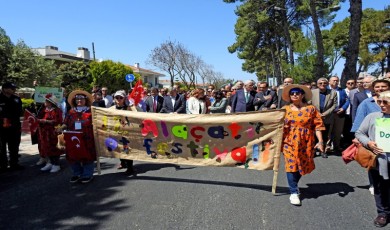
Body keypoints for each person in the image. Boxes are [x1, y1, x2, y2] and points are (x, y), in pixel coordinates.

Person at [281, 84, 325, 206]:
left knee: (302, 164)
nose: (294, 95)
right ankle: (294, 191)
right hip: (289, 141)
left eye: (297, 92)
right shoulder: (285, 109)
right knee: (291, 165)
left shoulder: (311, 109)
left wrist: (320, 142)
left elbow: (318, 126)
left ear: (302, 95)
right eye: (292, 93)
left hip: (307, 141)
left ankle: (294, 183)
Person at [355, 90, 390, 228]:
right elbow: (359, 133)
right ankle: (383, 213)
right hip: (378, 160)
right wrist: (369, 143)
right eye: (379, 101)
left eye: (385, 102)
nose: (381, 104)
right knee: (380, 187)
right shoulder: (372, 116)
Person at [62, 90, 96, 183]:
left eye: (81, 98)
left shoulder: (91, 111)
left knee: (87, 155)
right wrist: (61, 127)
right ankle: (76, 173)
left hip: (87, 138)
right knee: (73, 155)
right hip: (73, 137)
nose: (79, 100)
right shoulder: (71, 111)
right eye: (77, 98)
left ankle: (87, 174)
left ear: (86, 100)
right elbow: (65, 123)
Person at [311, 78, 337, 157]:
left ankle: (323, 150)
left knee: (326, 135)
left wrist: (325, 114)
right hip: (315, 117)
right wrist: (317, 113)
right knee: (314, 135)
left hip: (327, 117)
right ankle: (314, 150)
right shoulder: (312, 92)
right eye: (320, 83)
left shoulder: (333, 93)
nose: (322, 84)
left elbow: (334, 105)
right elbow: (309, 103)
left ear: (327, 84)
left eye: (325, 83)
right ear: (317, 84)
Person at [37, 94, 63, 173]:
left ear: (50, 102)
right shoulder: (44, 110)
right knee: (47, 147)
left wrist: (45, 121)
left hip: (53, 132)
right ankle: (51, 163)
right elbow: (39, 117)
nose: (44, 102)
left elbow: (58, 121)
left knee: (54, 148)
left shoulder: (57, 110)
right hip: (45, 132)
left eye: (46, 101)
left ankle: (56, 164)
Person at [0, 82, 23, 171]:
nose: (14, 90)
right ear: (5, 89)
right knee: (2, 147)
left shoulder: (16, 99)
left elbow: (20, 112)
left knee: (14, 146)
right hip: (1, 128)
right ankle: (3, 165)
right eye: (11, 88)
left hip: (14, 127)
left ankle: (14, 163)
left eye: (14, 88)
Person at [111, 90, 135, 174]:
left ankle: (130, 167)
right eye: (116, 97)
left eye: (121, 97)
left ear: (124, 98)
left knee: (127, 149)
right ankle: (122, 162)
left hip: (127, 132)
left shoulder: (129, 107)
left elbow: (137, 115)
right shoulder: (112, 108)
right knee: (119, 148)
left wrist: (132, 107)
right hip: (116, 132)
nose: (118, 99)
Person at [328, 76, 349, 153]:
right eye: (333, 80)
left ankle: (337, 146)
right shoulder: (326, 90)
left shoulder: (342, 90)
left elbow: (347, 100)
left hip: (339, 113)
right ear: (329, 81)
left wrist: (343, 108)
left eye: (337, 81)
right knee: (328, 131)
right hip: (329, 114)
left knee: (338, 131)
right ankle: (327, 147)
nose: (335, 82)